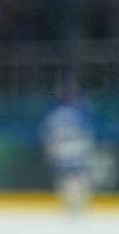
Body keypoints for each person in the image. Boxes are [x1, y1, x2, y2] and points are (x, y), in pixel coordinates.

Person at [41, 78, 96, 213]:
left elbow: (87, 130)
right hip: (68, 147)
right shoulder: (73, 109)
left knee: (74, 176)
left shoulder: (79, 108)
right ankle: (73, 204)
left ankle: (76, 204)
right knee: (71, 176)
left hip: (72, 147)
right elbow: (48, 132)